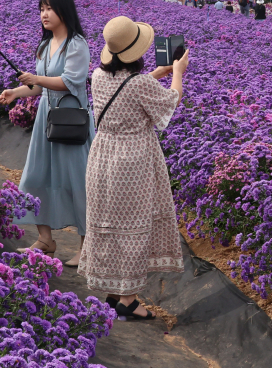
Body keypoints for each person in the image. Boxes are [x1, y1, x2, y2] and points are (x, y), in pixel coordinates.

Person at [78, 16, 189, 319]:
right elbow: (169, 103)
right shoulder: (139, 83)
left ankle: (114, 293)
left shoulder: (99, 76)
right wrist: (177, 73)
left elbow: (126, 91)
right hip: (133, 160)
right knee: (133, 227)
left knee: (110, 223)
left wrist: (157, 73)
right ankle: (128, 300)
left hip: (102, 157)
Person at [0, 0, 94, 265]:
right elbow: (39, 87)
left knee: (79, 184)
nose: (44, 14)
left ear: (65, 11)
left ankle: (88, 247)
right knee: (33, 179)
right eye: (41, 9)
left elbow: (71, 82)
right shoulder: (44, 45)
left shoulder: (77, 44)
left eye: (49, 8)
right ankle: (45, 240)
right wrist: (16, 91)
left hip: (71, 121)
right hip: (47, 122)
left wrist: (36, 77)